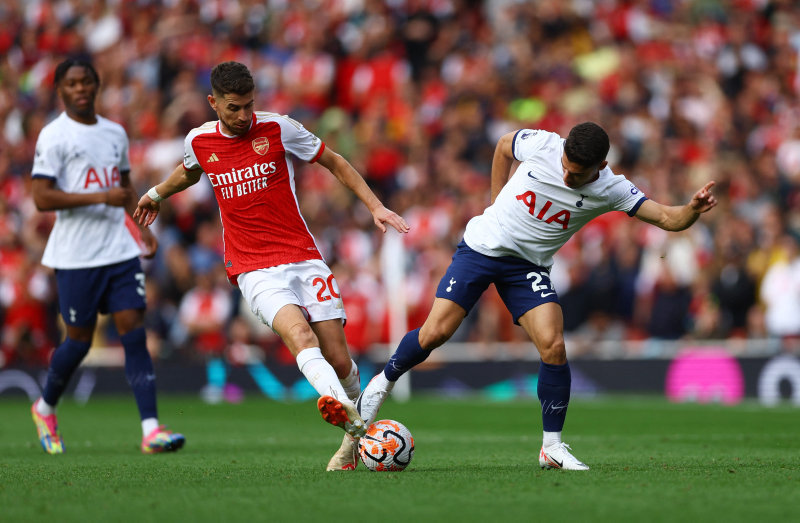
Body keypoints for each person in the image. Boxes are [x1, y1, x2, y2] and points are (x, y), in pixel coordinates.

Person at [355, 122, 717, 471]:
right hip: (481, 249)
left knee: (553, 345)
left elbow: (669, 219)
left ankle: (552, 447)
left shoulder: (612, 188)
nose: (566, 177)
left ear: (601, 166)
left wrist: (692, 210)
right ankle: (380, 384)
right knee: (435, 333)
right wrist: (494, 201)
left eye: (576, 175)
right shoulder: (544, 144)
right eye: (564, 167)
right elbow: (501, 146)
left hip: (527, 267)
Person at [134, 61, 409, 471]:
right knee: (300, 336)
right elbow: (189, 173)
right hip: (253, 268)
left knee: (338, 358)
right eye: (233, 108)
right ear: (213, 103)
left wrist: (376, 206)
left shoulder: (279, 128)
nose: (244, 116)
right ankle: (352, 420)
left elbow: (334, 161)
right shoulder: (200, 141)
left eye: (248, 106)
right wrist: (155, 192)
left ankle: (352, 438)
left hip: (304, 257)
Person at [30, 58, 185, 455]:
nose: (80, 89)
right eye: (72, 83)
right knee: (78, 342)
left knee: (134, 330)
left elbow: (125, 186)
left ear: (97, 87)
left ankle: (151, 430)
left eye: (86, 82)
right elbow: (41, 197)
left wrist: (142, 231)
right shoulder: (53, 136)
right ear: (60, 90)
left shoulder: (115, 133)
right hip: (76, 255)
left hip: (119, 249)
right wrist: (100, 197)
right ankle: (45, 407)